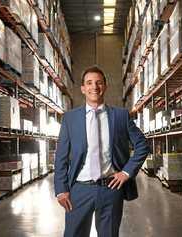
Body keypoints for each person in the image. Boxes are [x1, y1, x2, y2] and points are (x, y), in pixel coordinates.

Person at [54, 65, 149, 237]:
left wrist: (126, 173)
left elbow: (142, 145)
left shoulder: (120, 116)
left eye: (98, 83)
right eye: (89, 83)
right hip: (79, 190)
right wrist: (61, 189)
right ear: (83, 88)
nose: (94, 87)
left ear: (105, 86)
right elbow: (61, 157)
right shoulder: (70, 119)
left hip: (110, 189)